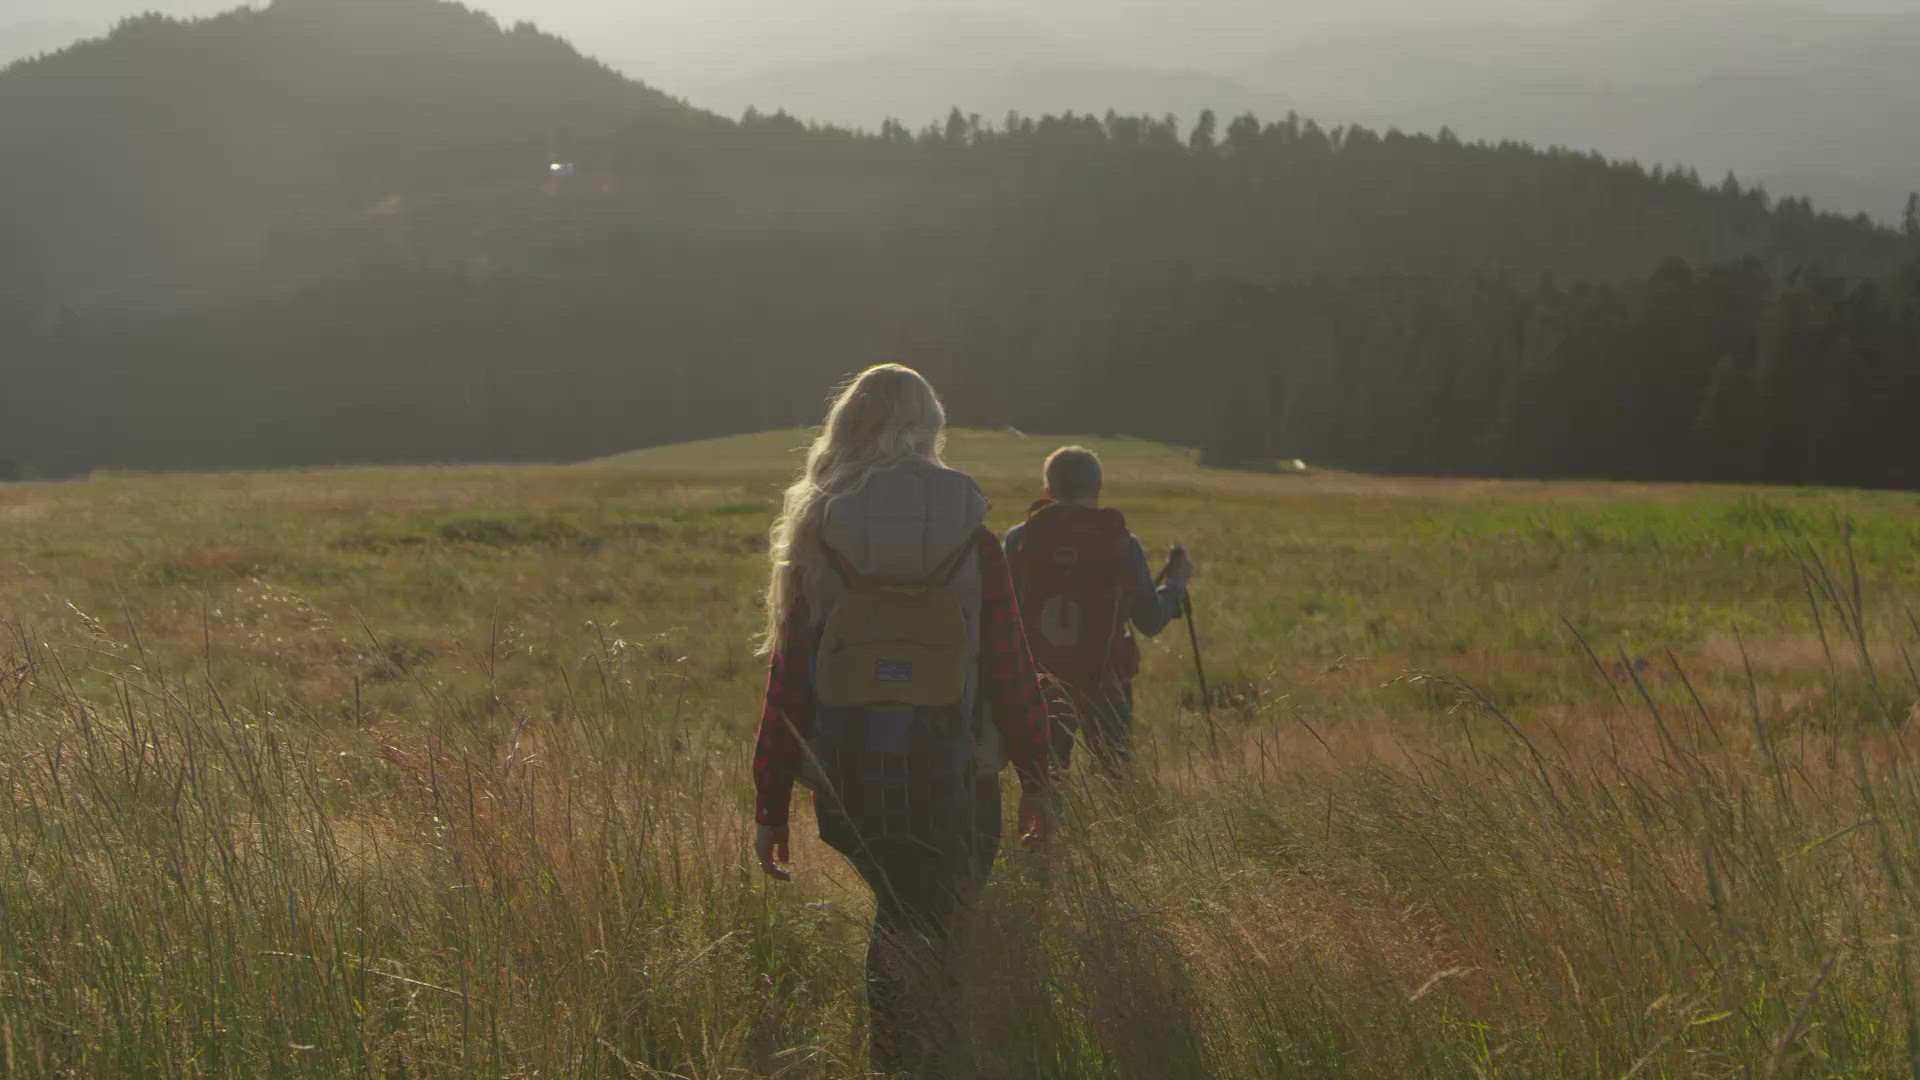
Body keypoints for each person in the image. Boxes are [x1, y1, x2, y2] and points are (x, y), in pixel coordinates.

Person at [751, 364, 1052, 1074]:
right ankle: (928, 1054)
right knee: (935, 917)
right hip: (960, 772)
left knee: (905, 909)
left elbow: (789, 678)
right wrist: (1039, 777)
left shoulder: (816, 528)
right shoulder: (973, 536)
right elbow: (1010, 667)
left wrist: (771, 802)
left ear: (845, 429)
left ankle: (902, 1054)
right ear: (930, 430)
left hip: (851, 772)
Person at [1004, 445, 1192, 776]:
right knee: (1115, 776)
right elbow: (1149, 621)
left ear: (1048, 489)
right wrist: (1175, 586)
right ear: (1097, 488)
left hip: (1040, 677)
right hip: (1105, 677)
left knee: (1045, 778)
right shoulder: (1120, 541)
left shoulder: (1020, 539)